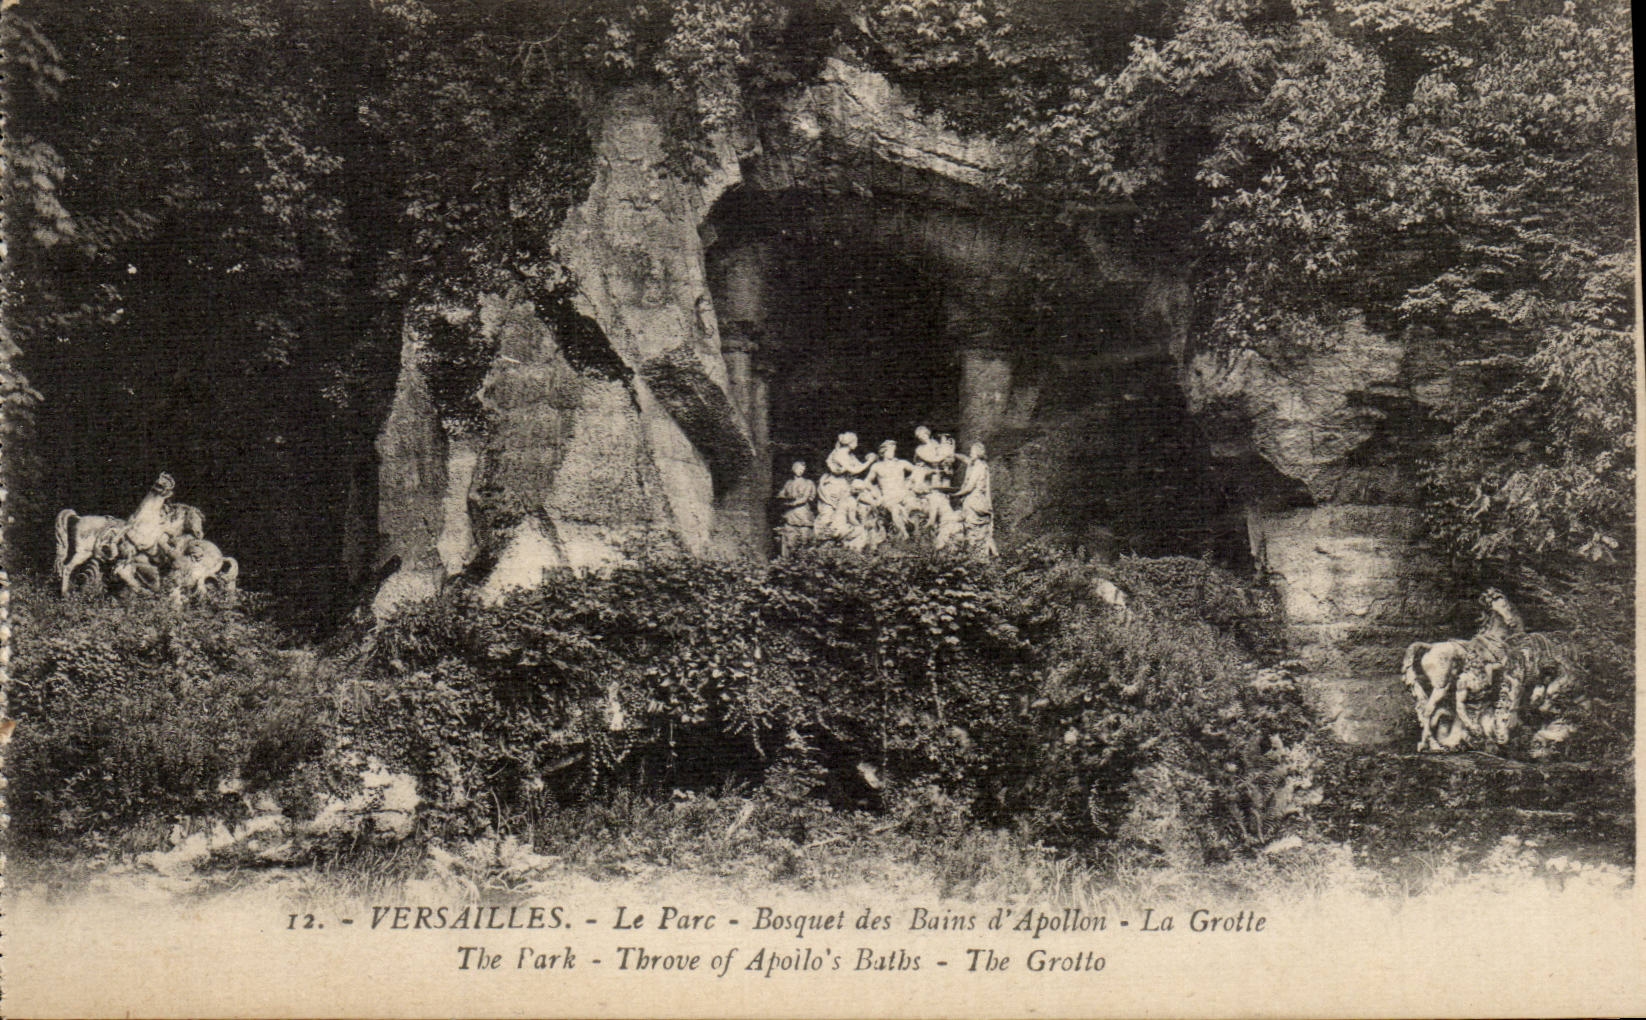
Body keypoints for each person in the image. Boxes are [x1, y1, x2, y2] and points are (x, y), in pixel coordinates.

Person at [817, 432, 877, 541]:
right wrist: (869, 462)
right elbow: (854, 470)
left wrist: (869, 459)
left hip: (845, 485)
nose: (857, 444)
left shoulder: (850, 455)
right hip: (835, 486)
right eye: (856, 441)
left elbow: (860, 466)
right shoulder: (839, 454)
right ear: (850, 442)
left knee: (854, 505)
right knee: (833, 510)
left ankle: (856, 530)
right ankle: (831, 534)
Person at [952, 441, 997, 556]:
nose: (970, 453)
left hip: (974, 501)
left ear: (978, 453)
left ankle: (977, 554)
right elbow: (965, 459)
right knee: (976, 528)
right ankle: (979, 553)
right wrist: (953, 454)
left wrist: (955, 495)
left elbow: (969, 487)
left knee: (972, 527)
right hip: (978, 499)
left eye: (972, 451)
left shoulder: (978, 467)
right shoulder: (980, 465)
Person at [866, 440, 917, 539]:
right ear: (883, 452)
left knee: (912, 505)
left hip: (903, 493)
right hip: (888, 497)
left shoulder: (901, 463)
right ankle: (904, 534)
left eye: (894, 450)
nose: (893, 452)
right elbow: (867, 481)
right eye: (890, 450)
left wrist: (910, 481)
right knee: (895, 509)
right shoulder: (877, 466)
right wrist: (875, 492)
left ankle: (912, 530)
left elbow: (917, 470)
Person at [774, 461, 817, 557]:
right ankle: (788, 558)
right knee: (789, 537)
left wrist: (791, 503)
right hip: (791, 513)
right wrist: (783, 498)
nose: (801, 471)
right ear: (793, 469)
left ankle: (804, 557)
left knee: (804, 536)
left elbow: (805, 498)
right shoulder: (789, 483)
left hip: (802, 512)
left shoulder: (808, 483)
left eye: (802, 469)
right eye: (798, 469)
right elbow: (781, 494)